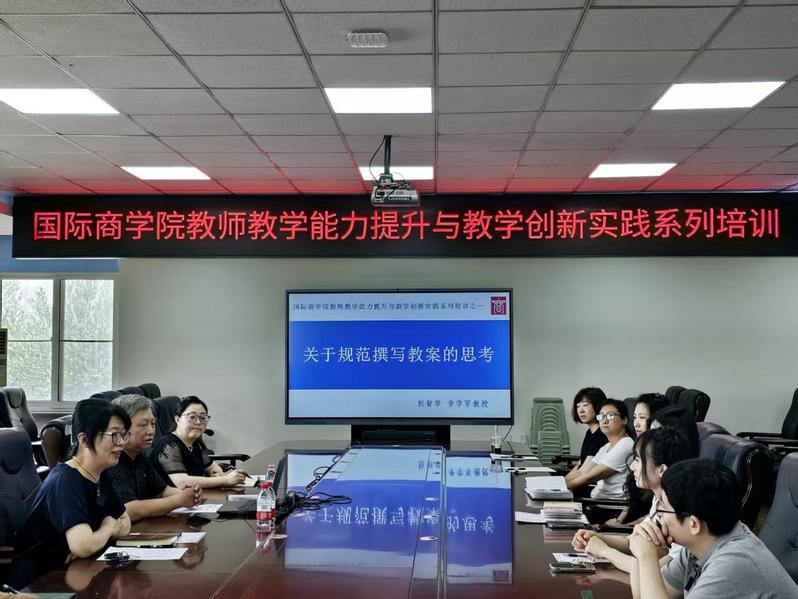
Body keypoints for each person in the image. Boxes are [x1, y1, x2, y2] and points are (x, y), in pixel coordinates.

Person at [628, 458, 797, 598]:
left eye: (662, 508)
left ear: (694, 524)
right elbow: (642, 594)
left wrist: (647, 556)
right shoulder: (699, 546)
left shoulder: (732, 564)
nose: (658, 516)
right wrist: (642, 552)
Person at [7, 400, 132, 589]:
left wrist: (97, 537)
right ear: (84, 440)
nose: (121, 443)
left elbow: (125, 523)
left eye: (123, 435)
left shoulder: (99, 473)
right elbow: (83, 545)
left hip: (74, 572)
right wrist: (108, 527)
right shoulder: (66, 481)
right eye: (114, 435)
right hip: (39, 582)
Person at [572, 427, 694, 572]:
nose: (632, 467)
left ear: (661, 470)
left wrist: (604, 551)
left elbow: (655, 571)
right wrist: (597, 538)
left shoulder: (680, 511)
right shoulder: (659, 500)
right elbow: (631, 543)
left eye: (637, 459)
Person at [108, 395, 203, 521]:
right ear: (121, 427)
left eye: (153, 424)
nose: (151, 431)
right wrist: (178, 500)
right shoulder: (111, 460)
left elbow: (162, 491)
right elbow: (129, 510)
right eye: (143, 425)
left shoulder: (140, 455)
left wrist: (190, 495)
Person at [152, 396, 246, 489]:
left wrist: (217, 474)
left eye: (203, 417)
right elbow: (182, 482)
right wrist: (225, 480)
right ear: (178, 419)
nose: (198, 422)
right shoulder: (168, 445)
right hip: (171, 498)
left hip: (193, 496)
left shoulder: (193, 442)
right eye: (192, 417)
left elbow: (212, 467)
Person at [565, 398, 634, 499]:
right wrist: (556, 486)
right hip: (596, 498)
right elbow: (582, 472)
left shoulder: (625, 444)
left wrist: (561, 489)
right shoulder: (606, 447)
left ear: (624, 420)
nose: (604, 420)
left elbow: (590, 477)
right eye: (601, 416)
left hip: (608, 504)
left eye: (610, 416)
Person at [569, 387, 609, 470]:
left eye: (585, 405)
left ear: (598, 406)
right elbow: (580, 464)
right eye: (578, 406)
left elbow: (584, 471)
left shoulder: (602, 434)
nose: (581, 410)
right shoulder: (589, 432)